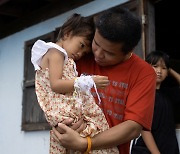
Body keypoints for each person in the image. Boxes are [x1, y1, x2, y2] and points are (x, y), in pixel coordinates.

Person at [52, 7, 157, 154]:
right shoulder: (79, 54)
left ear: (128, 51)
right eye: (96, 44)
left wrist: (86, 143)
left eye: (108, 53)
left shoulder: (143, 73)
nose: (98, 55)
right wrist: (62, 122)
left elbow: (133, 127)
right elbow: (51, 89)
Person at [31, 13, 119, 154]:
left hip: (64, 113)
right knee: (94, 129)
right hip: (65, 111)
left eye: (84, 52)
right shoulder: (56, 53)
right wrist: (87, 81)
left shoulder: (62, 57)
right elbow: (56, 84)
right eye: (81, 45)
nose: (80, 53)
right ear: (67, 33)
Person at [131, 51, 180, 154]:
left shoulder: (168, 94)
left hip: (169, 148)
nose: (159, 71)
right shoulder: (142, 94)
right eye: (155, 66)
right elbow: (144, 129)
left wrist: (170, 70)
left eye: (163, 68)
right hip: (148, 150)